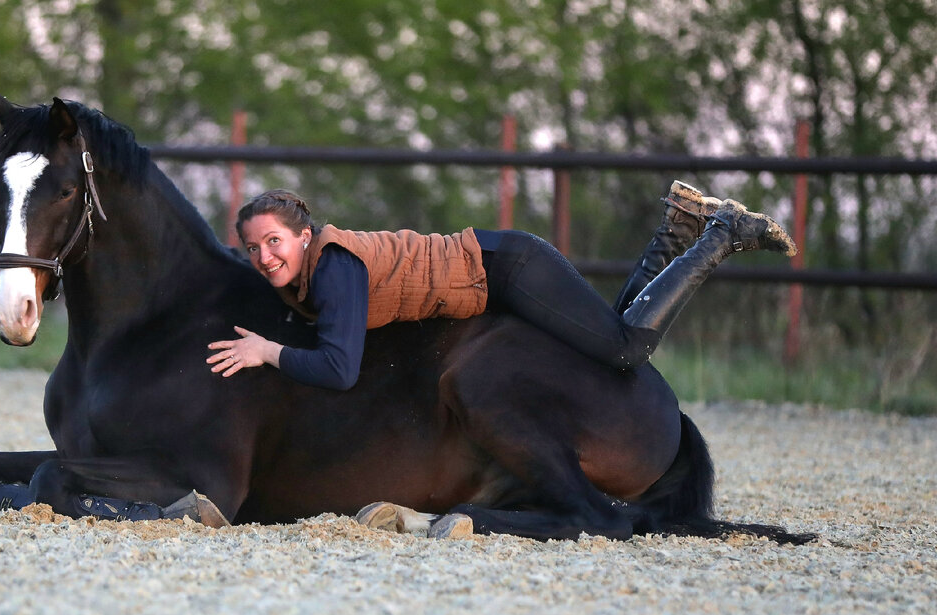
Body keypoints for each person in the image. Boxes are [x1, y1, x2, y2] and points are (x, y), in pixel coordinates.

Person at [206, 181, 796, 391]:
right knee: (607, 344)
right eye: (253, 248)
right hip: (493, 265)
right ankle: (676, 226)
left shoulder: (335, 268)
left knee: (625, 349)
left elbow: (339, 370)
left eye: (274, 242)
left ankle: (720, 232)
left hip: (505, 269)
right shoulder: (306, 273)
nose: (264, 256)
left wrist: (266, 352)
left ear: (305, 235)